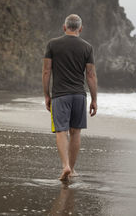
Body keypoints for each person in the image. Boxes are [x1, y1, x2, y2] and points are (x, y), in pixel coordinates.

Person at [42, 14, 98, 181]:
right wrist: (94, 99)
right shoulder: (87, 47)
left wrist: (46, 95)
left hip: (60, 96)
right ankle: (72, 169)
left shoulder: (52, 44)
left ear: (64, 27)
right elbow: (91, 75)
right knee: (75, 132)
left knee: (61, 131)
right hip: (79, 95)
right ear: (80, 28)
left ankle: (65, 165)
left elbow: (46, 71)